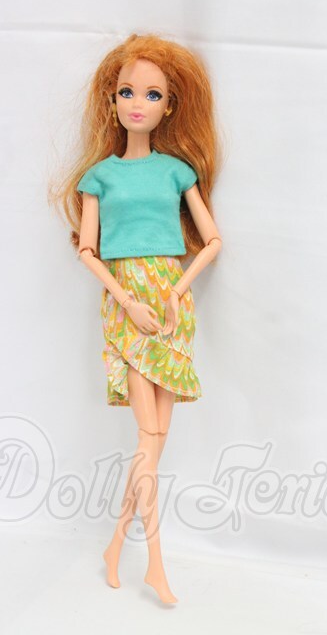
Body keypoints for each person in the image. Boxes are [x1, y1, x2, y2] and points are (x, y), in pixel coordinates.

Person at [50, 32, 223, 604]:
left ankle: (114, 545)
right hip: (127, 302)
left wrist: (176, 292)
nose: (138, 104)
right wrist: (127, 301)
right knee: (148, 437)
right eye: (127, 92)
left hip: (170, 303)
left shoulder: (176, 172)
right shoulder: (99, 177)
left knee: (155, 440)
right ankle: (154, 563)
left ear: (169, 106)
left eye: (152, 94)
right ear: (112, 100)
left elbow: (213, 241)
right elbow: (87, 251)